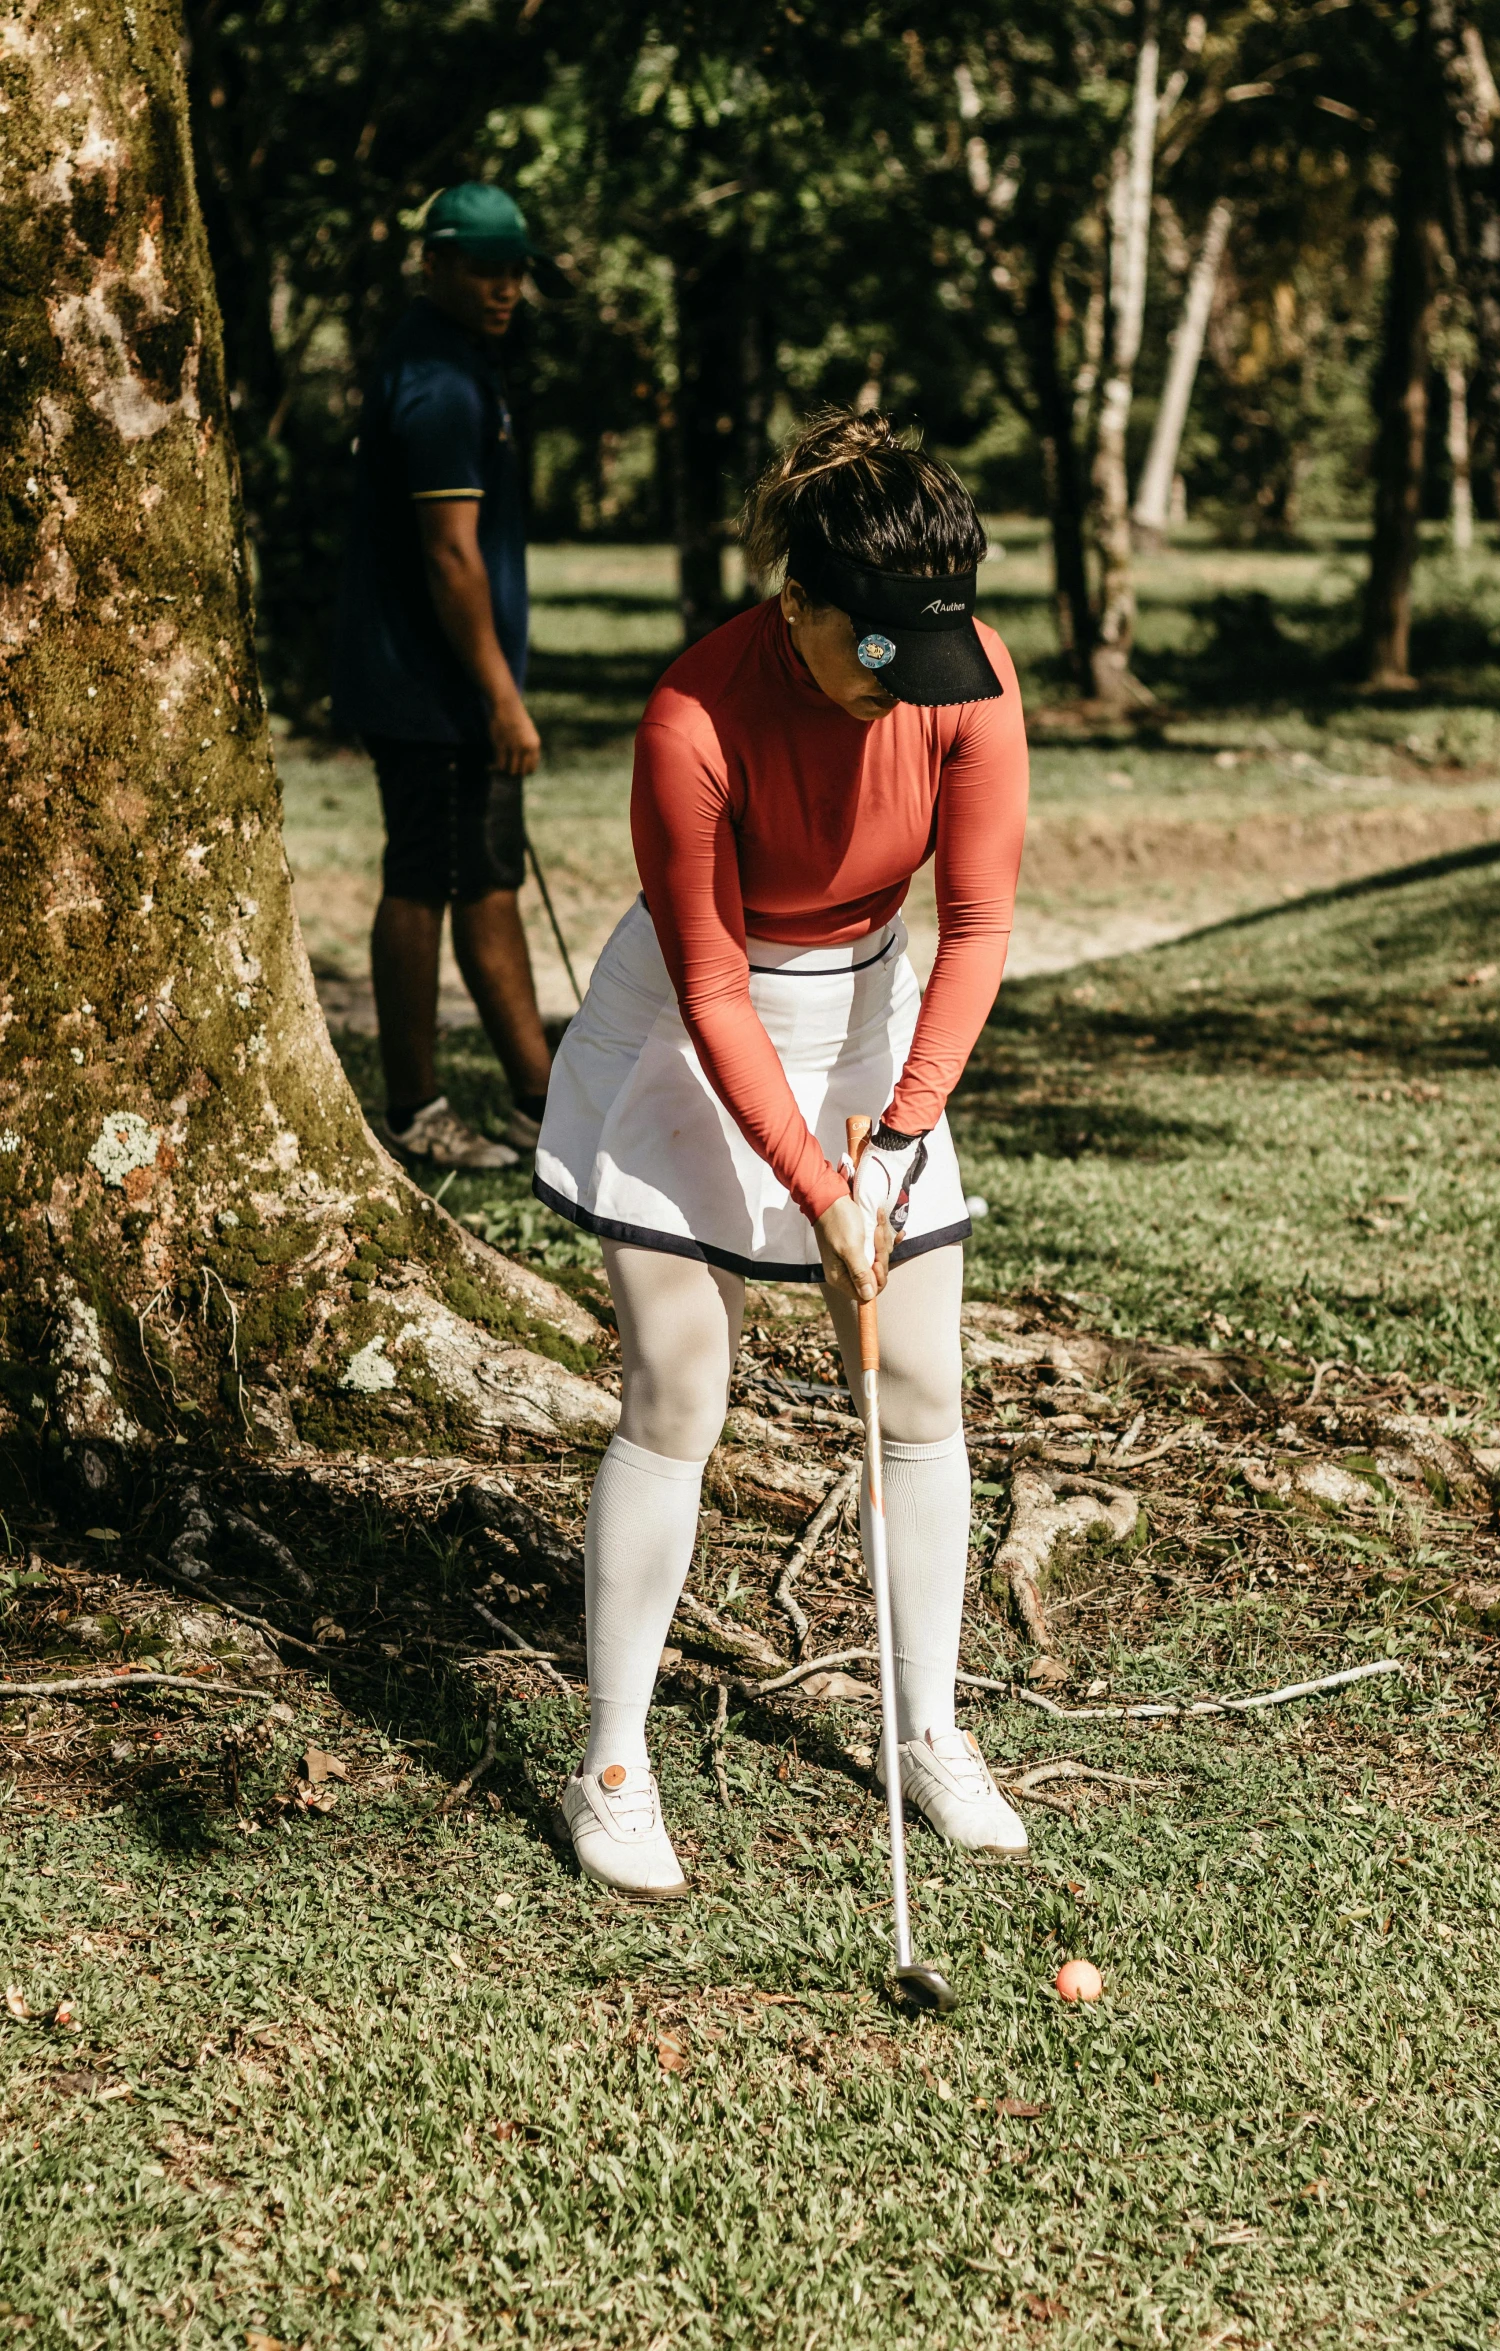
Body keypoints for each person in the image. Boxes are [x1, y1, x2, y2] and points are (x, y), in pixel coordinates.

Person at [534, 409, 1032, 1896]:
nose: (903, 697)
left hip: (871, 1021)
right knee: (681, 1382)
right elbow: (703, 978)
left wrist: (893, 1138)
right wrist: (810, 1185)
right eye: (870, 656)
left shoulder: (961, 676)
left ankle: (927, 1726)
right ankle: (611, 1764)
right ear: (796, 607)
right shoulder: (692, 717)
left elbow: (980, 923)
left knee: (917, 1379)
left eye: (924, 662)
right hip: (701, 1025)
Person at [333, 182, 554, 1170]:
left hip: (453, 684)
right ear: (435, 263)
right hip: (432, 687)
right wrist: (502, 693)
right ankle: (416, 1107)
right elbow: (448, 555)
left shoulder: (463, 360)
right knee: (427, 879)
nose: (505, 287)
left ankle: (539, 1098)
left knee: (488, 877)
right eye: (484, 268)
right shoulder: (437, 382)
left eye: (515, 268)